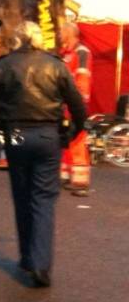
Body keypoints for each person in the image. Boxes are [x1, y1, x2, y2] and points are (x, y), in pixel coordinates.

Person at [0, 21, 86, 287]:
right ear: (39, 38)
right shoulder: (55, 65)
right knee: (43, 198)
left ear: (18, 39)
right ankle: (41, 263)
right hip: (47, 133)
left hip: (16, 132)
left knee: (21, 195)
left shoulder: (4, 64)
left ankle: (26, 257)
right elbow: (77, 102)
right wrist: (74, 131)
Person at [59, 22, 93, 197]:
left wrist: (78, 104)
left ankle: (80, 183)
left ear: (69, 33)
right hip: (65, 105)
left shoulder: (81, 52)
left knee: (78, 141)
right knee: (66, 140)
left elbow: (82, 79)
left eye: (62, 31)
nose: (59, 34)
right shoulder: (65, 53)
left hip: (75, 105)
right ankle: (65, 175)